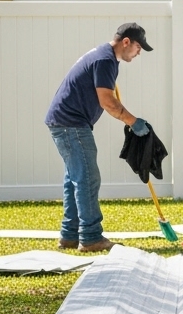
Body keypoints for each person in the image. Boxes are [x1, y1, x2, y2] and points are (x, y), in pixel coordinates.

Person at [45, 23, 153, 252]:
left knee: (74, 179)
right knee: (87, 178)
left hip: (64, 122)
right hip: (71, 124)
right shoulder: (105, 60)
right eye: (138, 46)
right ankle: (91, 237)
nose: (139, 51)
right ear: (126, 42)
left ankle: (70, 235)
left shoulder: (104, 57)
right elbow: (107, 101)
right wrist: (134, 121)